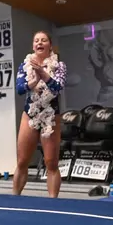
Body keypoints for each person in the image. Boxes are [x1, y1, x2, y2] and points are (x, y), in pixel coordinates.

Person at [13, 31, 67, 197]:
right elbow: (20, 89)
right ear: (33, 46)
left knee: (51, 162)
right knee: (22, 161)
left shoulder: (59, 65)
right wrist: (35, 80)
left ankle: (53, 202)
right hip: (30, 114)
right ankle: (14, 198)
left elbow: (58, 87)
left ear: (50, 45)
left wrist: (44, 74)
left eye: (43, 40)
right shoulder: (25, 65)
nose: (39, 43)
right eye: (36, 41)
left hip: (51, 116)